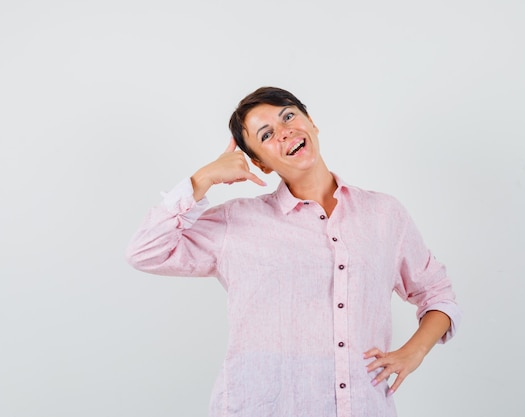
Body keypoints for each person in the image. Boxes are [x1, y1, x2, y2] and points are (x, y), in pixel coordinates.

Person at [126, 86, 461, 417]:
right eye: (267, 133)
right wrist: (204, 178)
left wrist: (413, 353)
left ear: (311, 122)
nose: (285, 132)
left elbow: (436, 293)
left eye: (288, 116)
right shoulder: (237, 222)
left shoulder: (384, 215)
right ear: (260, 162)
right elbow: (146, 250)